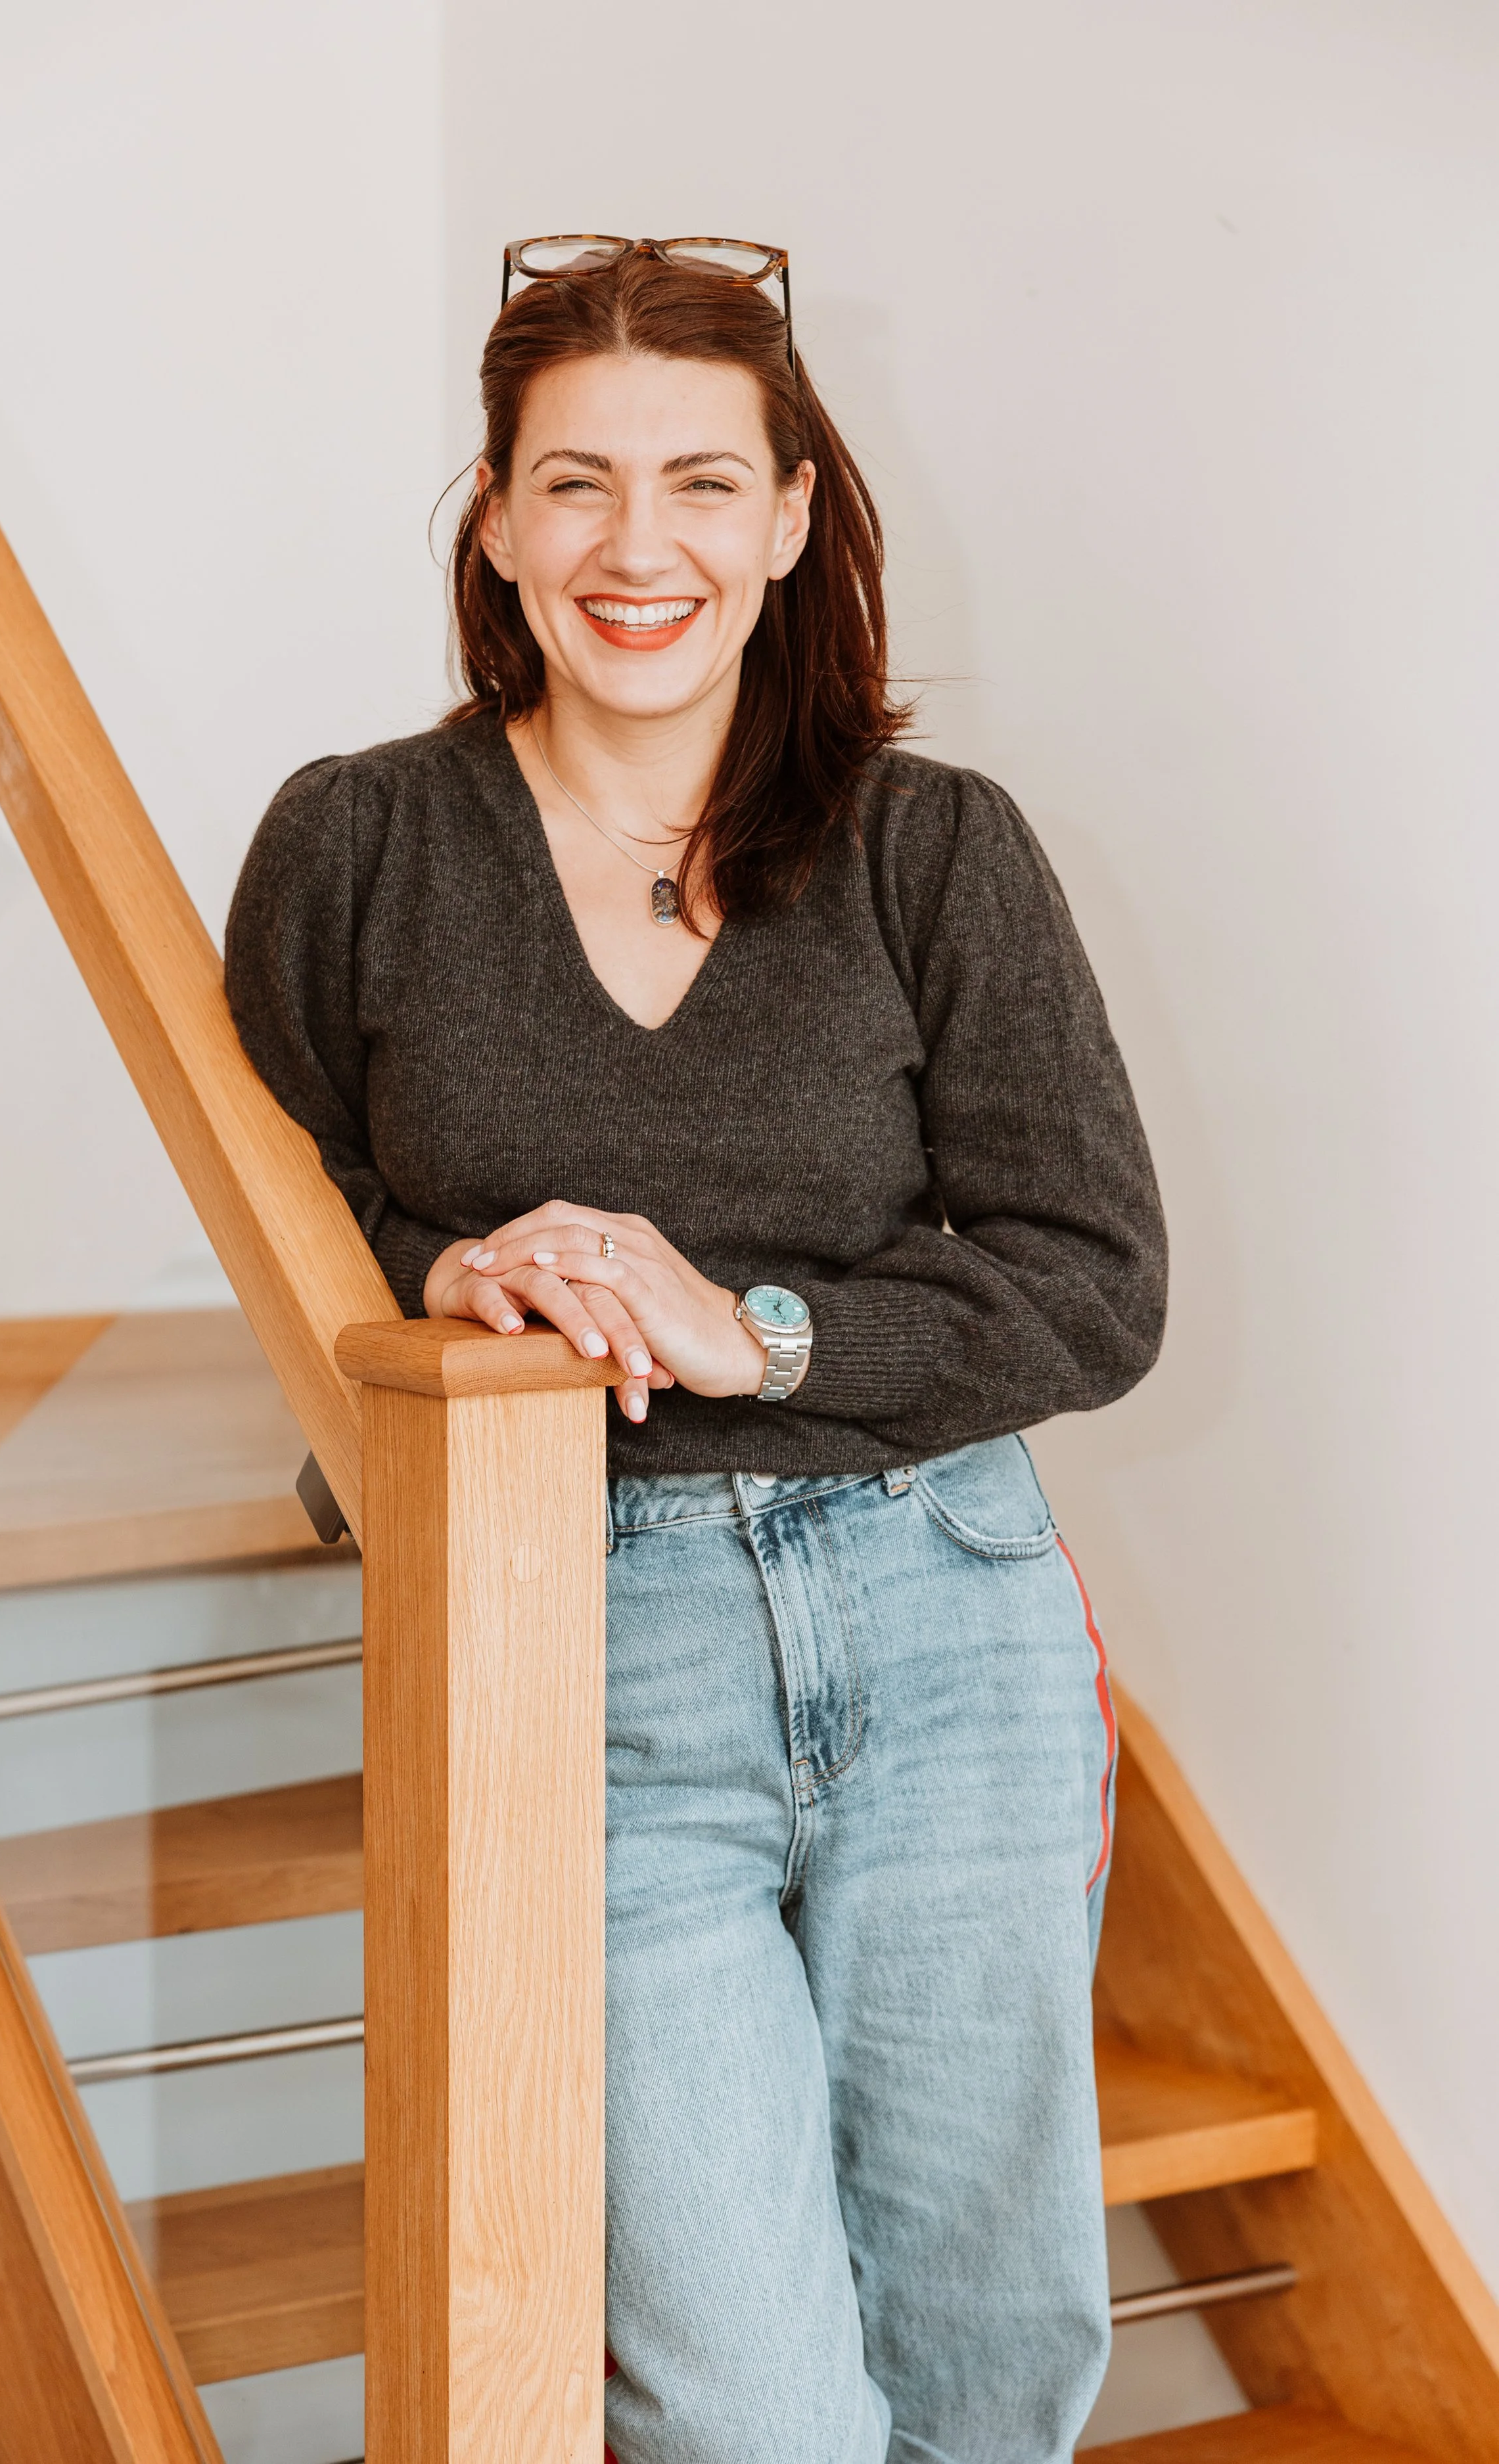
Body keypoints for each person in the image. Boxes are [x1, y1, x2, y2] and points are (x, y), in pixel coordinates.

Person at [225, 236, 1166, 2464]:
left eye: (697, 483)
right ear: (492, 517)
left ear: (792, 515)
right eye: (572, 483)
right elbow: (298, 1230)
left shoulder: (933, 850)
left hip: (950, 1630)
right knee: (748, 2404)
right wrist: (430, 1282)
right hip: (577, 1645)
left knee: (981, 2363)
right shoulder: (354, 843)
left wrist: (744, 1326)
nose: (632, 547)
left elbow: (1087, 1279)